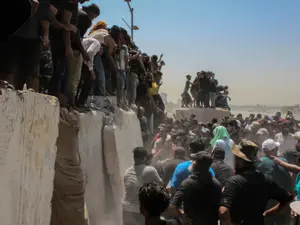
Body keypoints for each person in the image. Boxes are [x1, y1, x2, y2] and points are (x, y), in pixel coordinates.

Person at [219, 140, 294, 225]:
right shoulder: (266, 180)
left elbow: (223, 212)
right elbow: (287, 199)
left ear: (240, 161)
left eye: (236, 158)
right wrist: (266, 214)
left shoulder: (233, 182)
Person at [169, 151, 222, 225]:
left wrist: (182, 217)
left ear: (195, 164)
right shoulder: (217, 184)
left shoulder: (187, 184)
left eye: (194, 160)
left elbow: (172, 206)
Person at [67, 3, 100, 107]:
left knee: (68, 77)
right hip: (76, 50)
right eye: (94, 16)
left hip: (68, 46)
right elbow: (77, 34)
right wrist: (83, 51)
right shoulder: (84, 17)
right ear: (91, 13)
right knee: (74, 78)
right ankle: (72, 104)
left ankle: (69, 102)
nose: (93, 19)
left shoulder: (77, 11)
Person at [123, 147, 163, 225]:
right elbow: (161, 186)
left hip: (126, 209)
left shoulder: (127, 171)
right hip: (141, 211)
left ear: (134, 157)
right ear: (145, 157)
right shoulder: (150, 170)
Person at [257, 139, 293, 225]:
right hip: (283, 202)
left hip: (267, 202)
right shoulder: (283, 160)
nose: (277, 150)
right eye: (275, 149)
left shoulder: (259, 162)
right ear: (271, 150)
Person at [76, 37, 101, 107]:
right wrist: (91, 71)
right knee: (89, 80)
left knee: (79, 80)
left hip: (80, 57)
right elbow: (90, 52)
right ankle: (81, 102)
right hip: (80, 57)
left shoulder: (89, 40)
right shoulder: (97, 44)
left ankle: (76, 101)